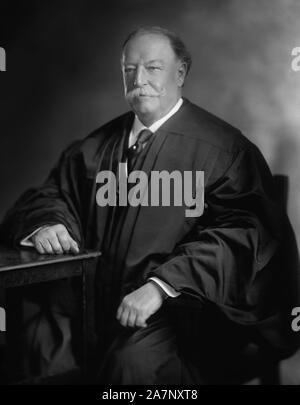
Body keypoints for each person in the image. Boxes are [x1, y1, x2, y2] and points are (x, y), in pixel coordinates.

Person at [0, 26, 299, 384]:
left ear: (181, 73)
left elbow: (246, 233)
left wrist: (163, 286)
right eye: (129, 69)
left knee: (134, 367)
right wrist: (49, 223)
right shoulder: (95, 147)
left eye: (153, 68)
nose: (139, 79)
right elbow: (51, 194)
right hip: (96, 305)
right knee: (37, 345)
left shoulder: (224, 150)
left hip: (181, 314)